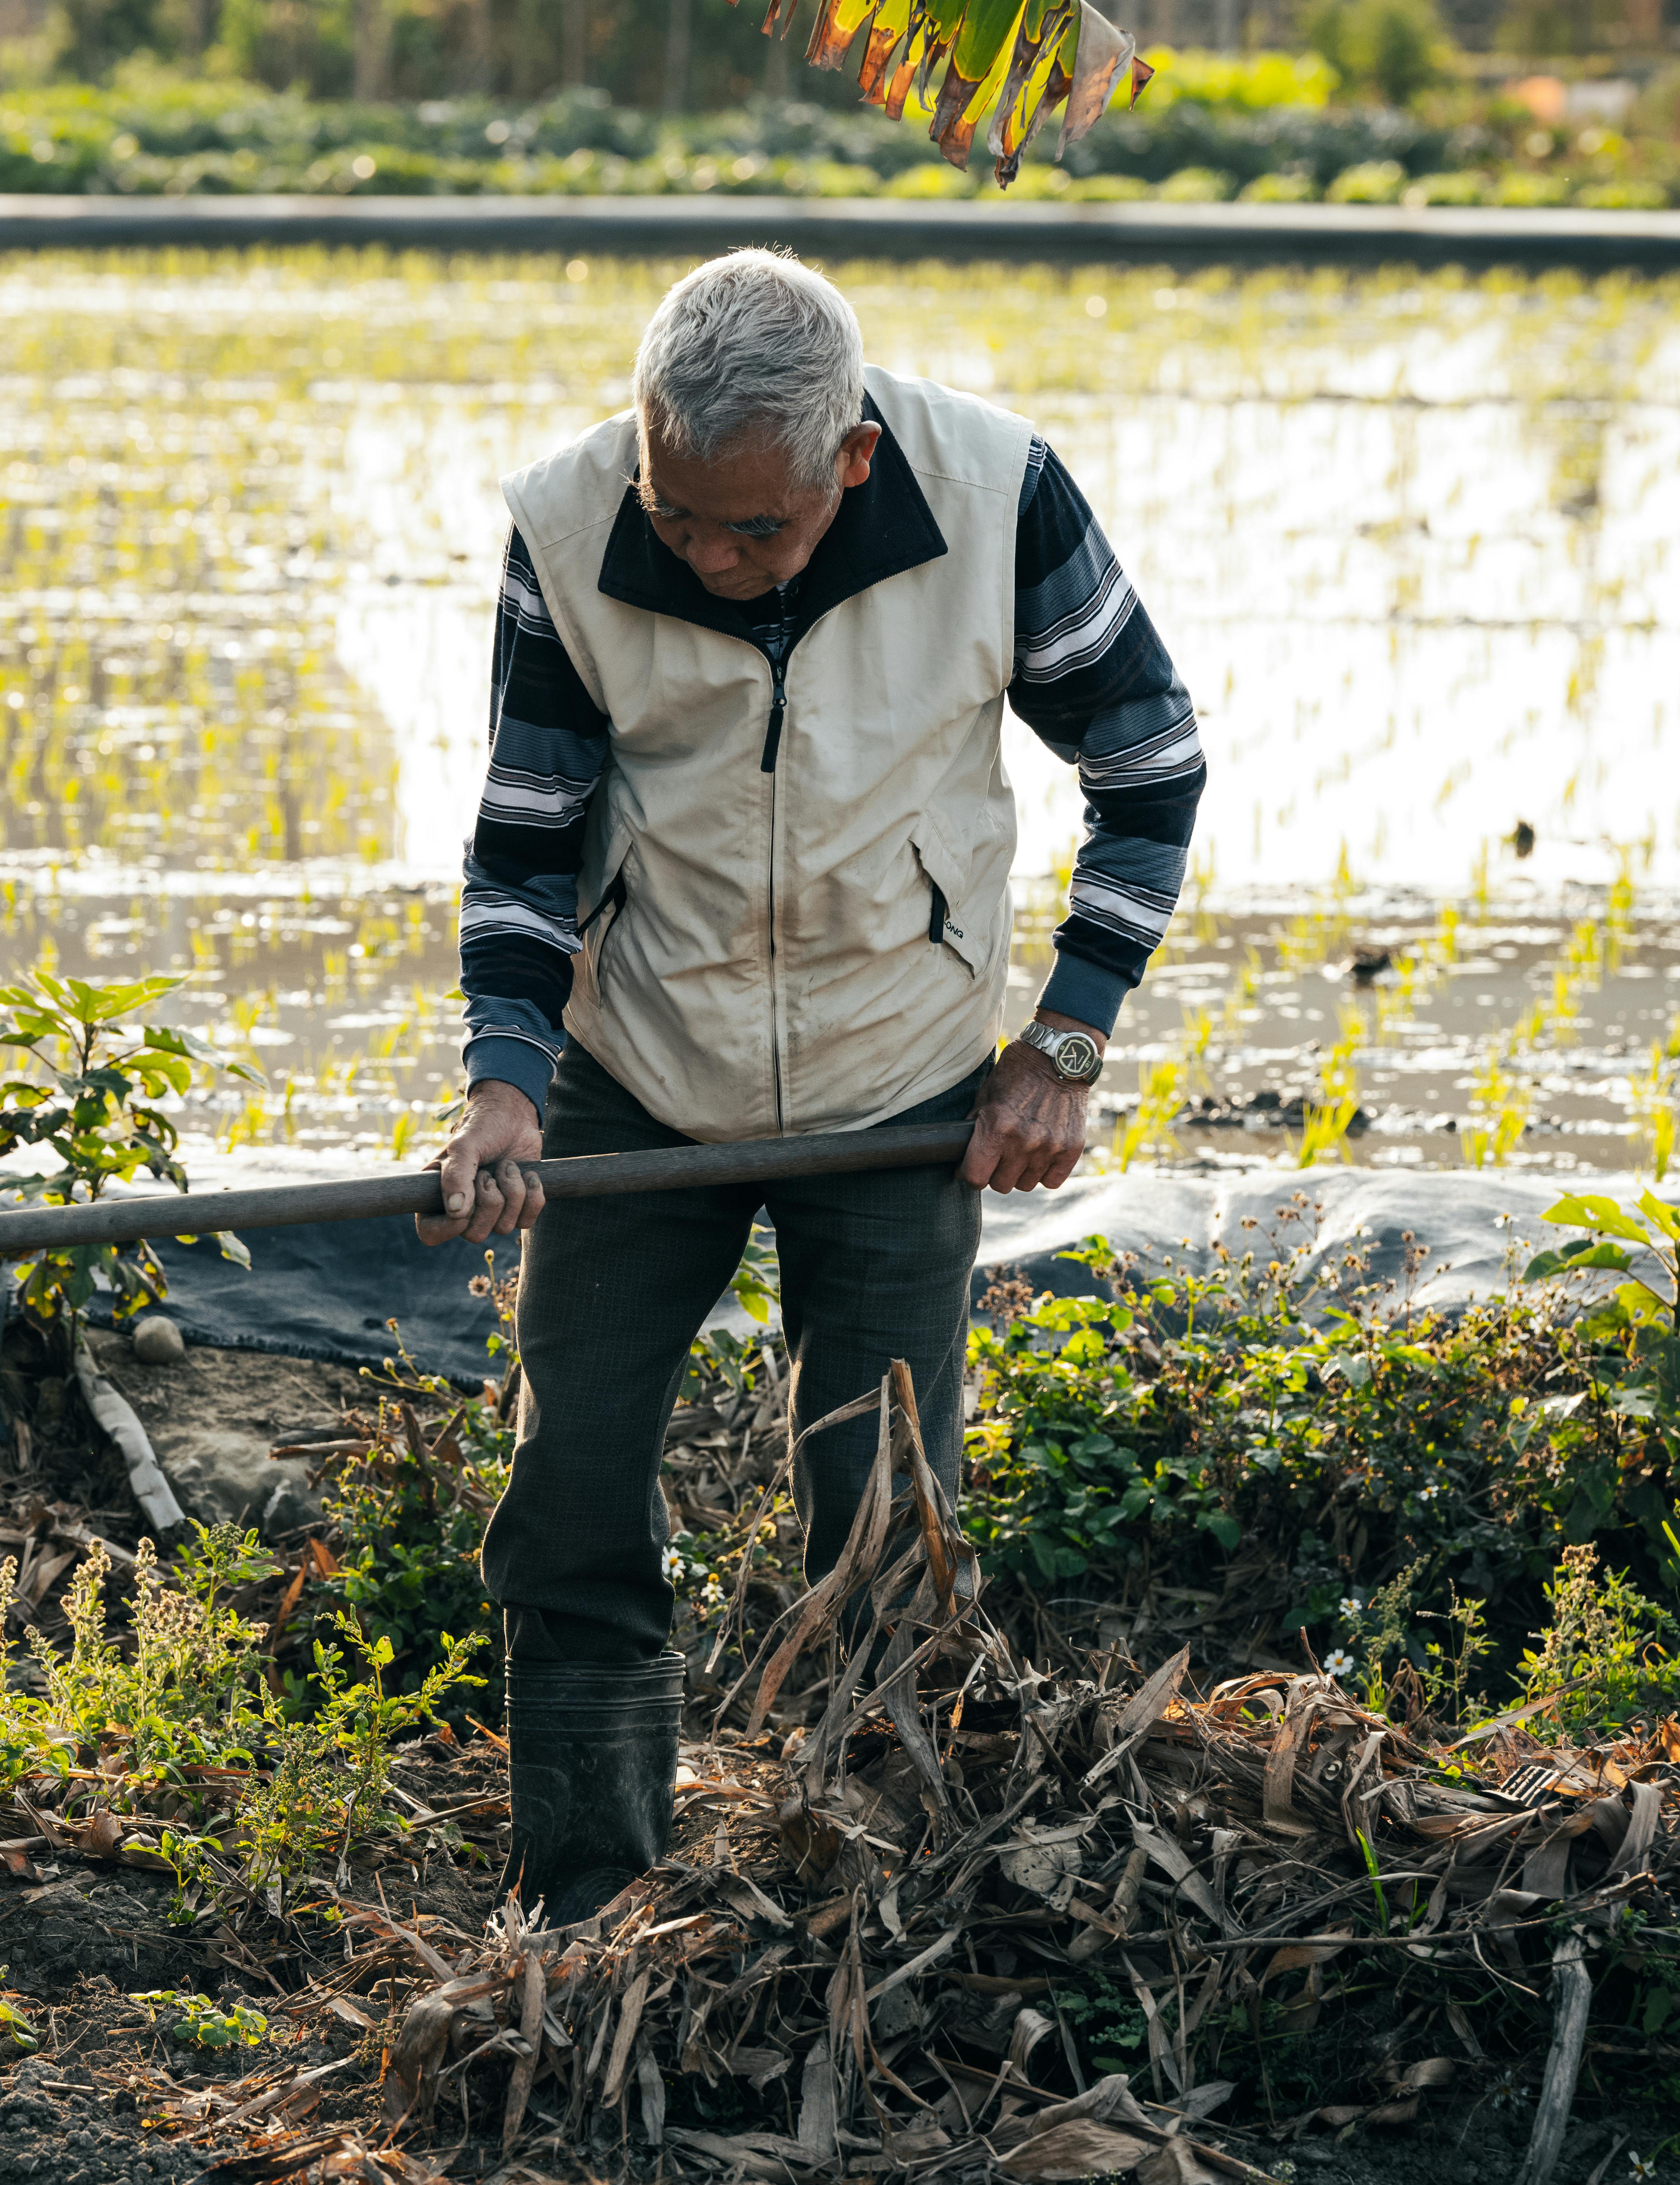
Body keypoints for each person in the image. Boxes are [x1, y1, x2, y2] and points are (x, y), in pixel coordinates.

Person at [418, 248, 1206, 1924]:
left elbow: (1146, 763)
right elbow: (528, 829)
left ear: (849, 461)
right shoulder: (569, 526)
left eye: (750, 530)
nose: (702, 556)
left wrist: (1061, 1041)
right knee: (568, 1484)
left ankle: (879, 1900)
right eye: (675, 513)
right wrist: (505, 1078)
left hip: (895, 1084)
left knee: (880, 1511)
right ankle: (583, 1901)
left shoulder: (999, 499)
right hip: (638, 1072)